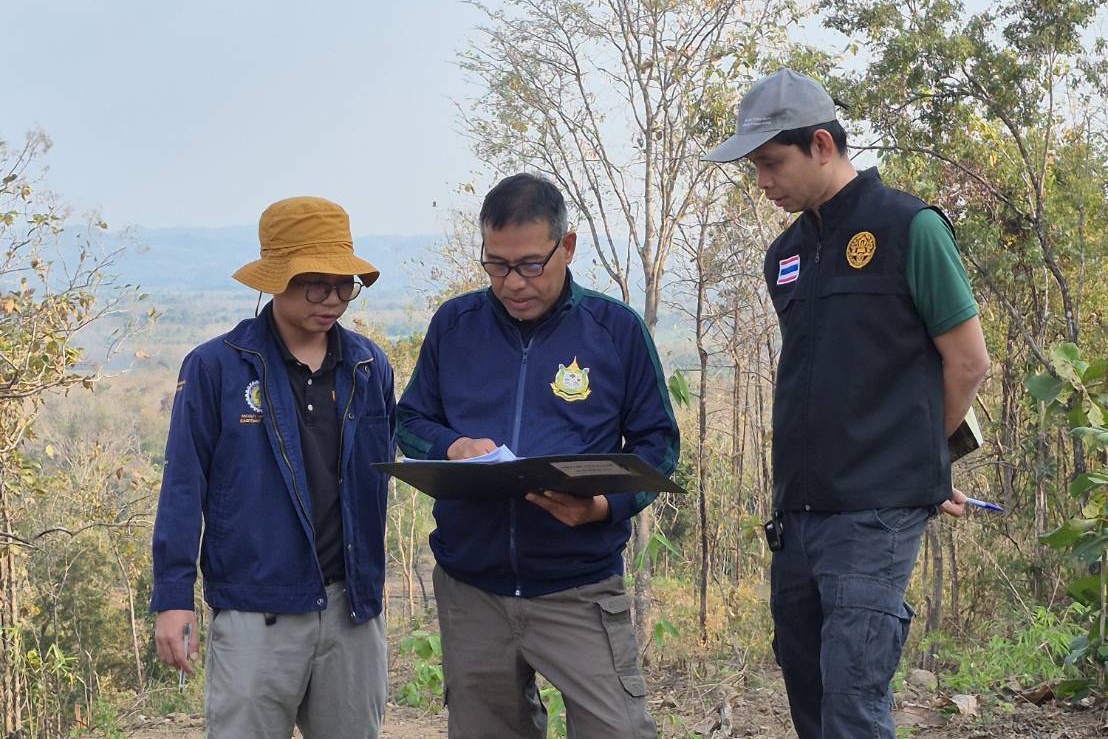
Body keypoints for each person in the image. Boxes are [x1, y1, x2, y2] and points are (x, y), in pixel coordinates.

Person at [703, 69, 990, 739]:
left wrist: (920, 462)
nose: (763, 182)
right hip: (798, 517)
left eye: (773, 163)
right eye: (755, 167)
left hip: (873, 517)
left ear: (823, 145)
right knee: (812, 700)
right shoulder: (786, 255)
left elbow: (968, 361)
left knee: (853, 709)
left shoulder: (909, 227)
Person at [396, 173, 680, 739]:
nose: (511, 283)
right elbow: (410, 421)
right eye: (496, 265)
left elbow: (658, 446)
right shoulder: (456, 325)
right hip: (472, 586)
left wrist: (602, 507)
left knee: (619, 730)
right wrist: (452, 446)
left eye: (529, 264)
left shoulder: (614, 330)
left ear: (565, 247)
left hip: (579, 583)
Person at [150, 196, 395, 738]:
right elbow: (184, 485)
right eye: (315, 283)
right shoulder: (217, 367)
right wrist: (172, 598)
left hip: (350, 609)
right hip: (255, 611)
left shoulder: (368, 365)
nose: (332, 299)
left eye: (344, 285)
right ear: (276, 278)